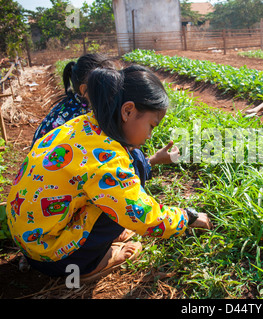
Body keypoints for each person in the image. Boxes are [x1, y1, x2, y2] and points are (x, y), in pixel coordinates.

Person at [6, 65, 212, 280]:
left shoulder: (83, 125)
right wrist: (187, 217)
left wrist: (149, 161)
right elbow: (140, 214)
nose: (150, 135)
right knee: (126, 194)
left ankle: (97, 240)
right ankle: (93, 264)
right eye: (152, 125)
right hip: (55, 258)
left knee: (137, 161)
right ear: (128, 110)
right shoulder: (107, 160)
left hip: (31, 239)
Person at [31, 53, 178, 186]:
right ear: (84, 90)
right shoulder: (89, 123)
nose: (115, 94)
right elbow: (125, 196)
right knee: (133, 155)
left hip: (40, 193)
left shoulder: (75, 110)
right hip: (56, 199)